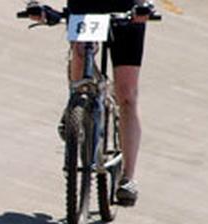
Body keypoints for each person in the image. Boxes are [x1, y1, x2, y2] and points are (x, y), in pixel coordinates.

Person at [29, 0, 154, 206]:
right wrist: (37, 5)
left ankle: (128, 178)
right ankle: (75, 104)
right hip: (85, 6)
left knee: (127, 95)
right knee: (80, 55)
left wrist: (144, 6)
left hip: (128, 10)